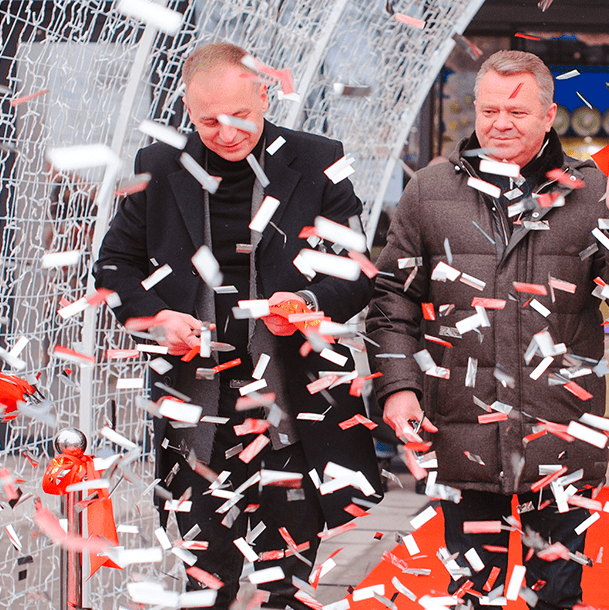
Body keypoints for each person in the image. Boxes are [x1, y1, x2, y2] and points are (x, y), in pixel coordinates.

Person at [367, 50, 609, 609]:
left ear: (549, 115)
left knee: (556, 596)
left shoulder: (593, 191)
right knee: (470, 594)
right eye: (489, 110)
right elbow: (391, 300)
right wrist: (399, 386)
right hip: (462, 436)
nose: (500, 123)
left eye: (517, 112)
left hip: (562, 440)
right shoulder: (430, 190)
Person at [94, 42, 382, 610]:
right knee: (205, 580)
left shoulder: (318, 158)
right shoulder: (158, 165)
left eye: (240, 117)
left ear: (265, 97)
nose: (226, 134)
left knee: (288, 580)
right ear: (187, 109)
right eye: (209, 122)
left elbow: (357, 272)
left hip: (292, 405)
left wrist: (306, 302)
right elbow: (113, 265)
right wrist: (155, 317)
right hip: (197, 405)